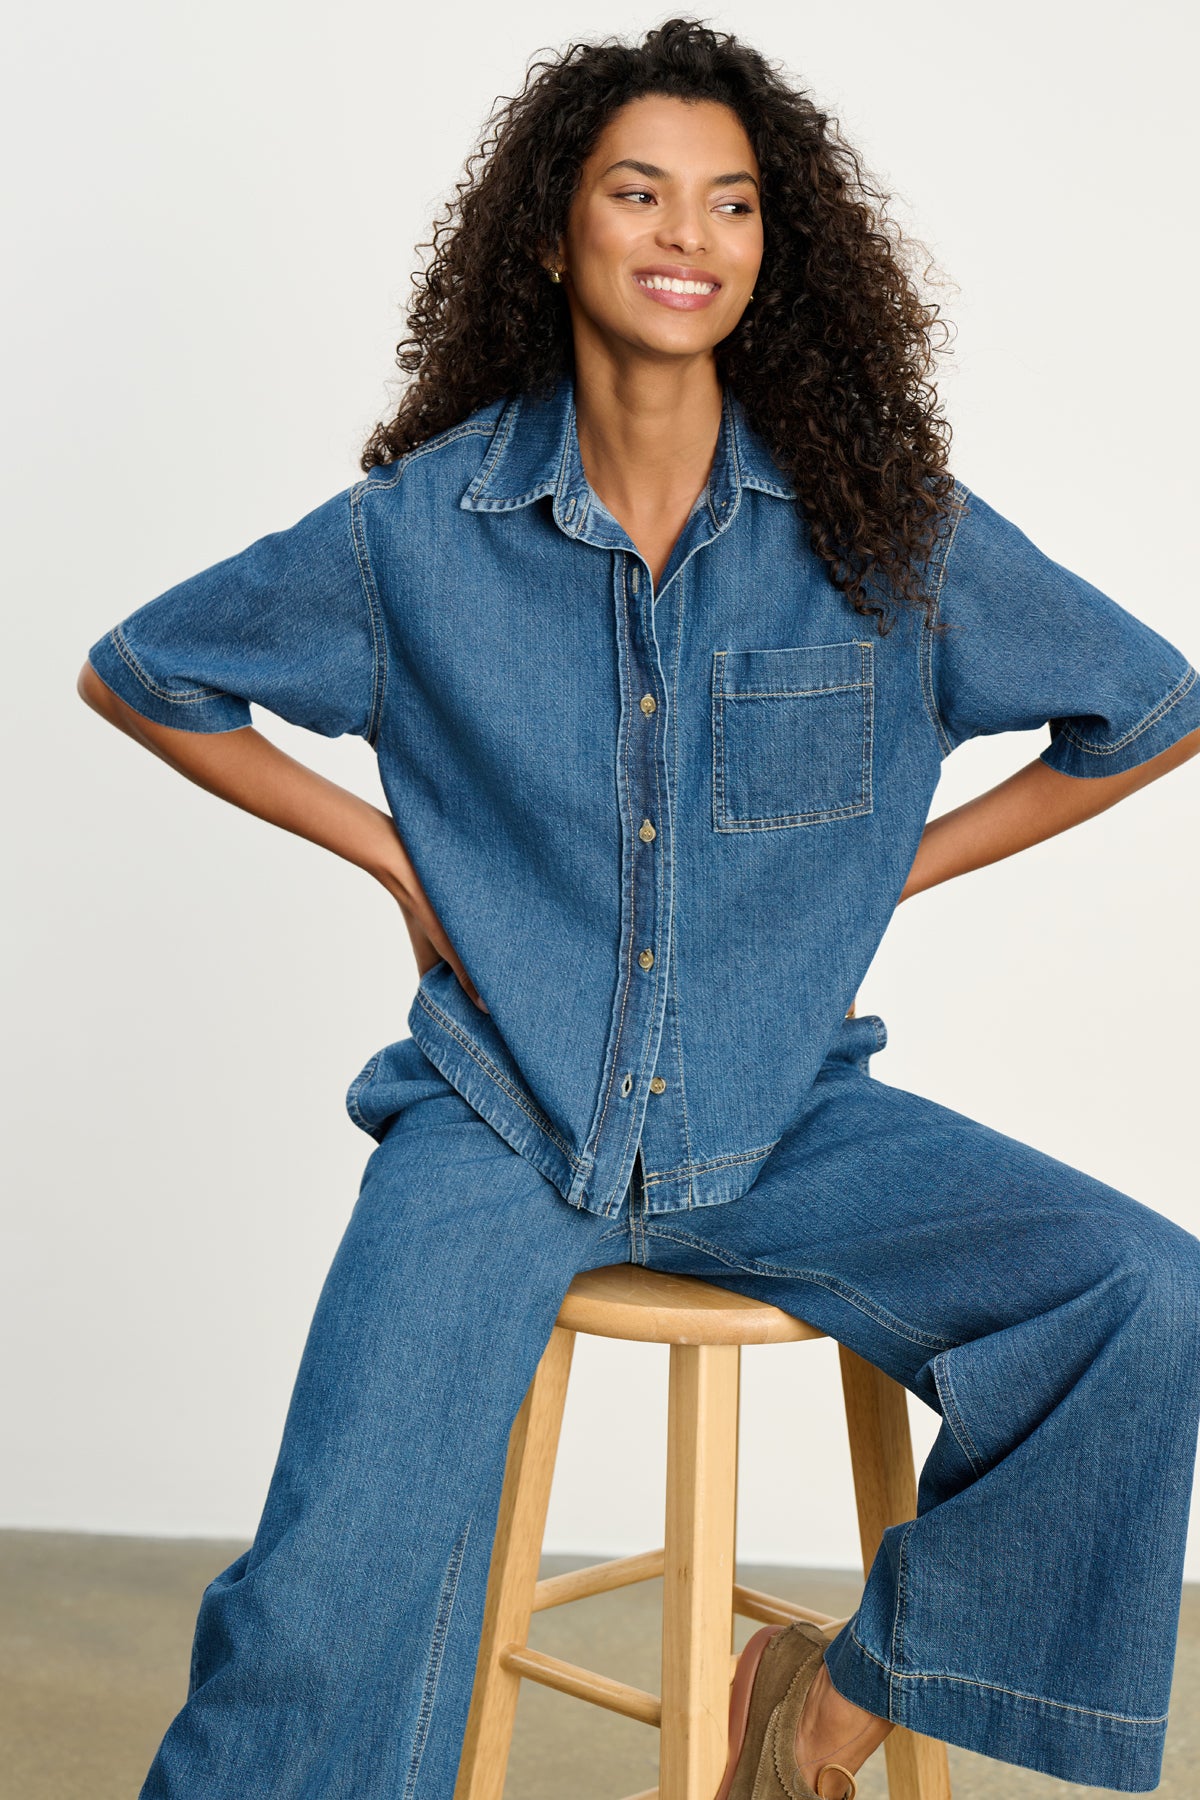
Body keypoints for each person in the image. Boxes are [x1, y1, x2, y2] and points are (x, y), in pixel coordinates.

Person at [77, 19, 1200, 1800]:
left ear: (772, 249)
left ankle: (824, 1712)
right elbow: (145, 675)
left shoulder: (881, 532)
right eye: (640, 191)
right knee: (317, 1604)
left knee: (1144, 1296)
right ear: (553, 232)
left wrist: (884, 866)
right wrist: (388, 854)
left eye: (733, 203)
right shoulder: (418, 536)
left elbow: (1150, 707)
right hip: (498, 1119)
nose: (690, 234)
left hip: (782, 1114)